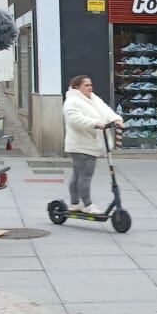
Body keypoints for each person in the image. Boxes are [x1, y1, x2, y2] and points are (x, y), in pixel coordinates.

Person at [62, 74, 123, 214]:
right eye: (86, 85)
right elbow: (74, 119)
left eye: (90, 84)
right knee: (85, 176)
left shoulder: (93, 98)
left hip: (91, 144)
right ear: (77, 87)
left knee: (78, 176)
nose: (90, 87)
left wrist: (116, 119)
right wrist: (95, 123)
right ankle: (87, 205)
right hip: (81, 145)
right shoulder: (72, 101)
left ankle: (75, 203)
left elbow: (106, 110)